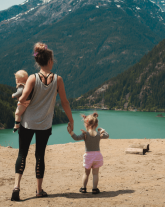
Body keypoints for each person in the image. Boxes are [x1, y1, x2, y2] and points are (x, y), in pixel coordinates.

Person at [11, 42, 74, 201]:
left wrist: (19, 106)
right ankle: (39, 191)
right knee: (40, 156)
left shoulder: (32, 78)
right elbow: (65, 102)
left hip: (27, 123)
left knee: (22, 154)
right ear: (50, 61)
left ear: (38, 61)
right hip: (44, 125)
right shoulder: (58, 79)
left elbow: (23, 97)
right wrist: (71, 120)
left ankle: (16, 187)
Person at [67, 112, 109, 194]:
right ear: (96, 125)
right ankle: (94, 189)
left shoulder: (85, 134)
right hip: (97, 156)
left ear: (86, 124)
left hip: (88, 156)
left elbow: (76, 138)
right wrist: (103, 130)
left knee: (86, 173)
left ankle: (83, 188)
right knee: (95, 173)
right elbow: (107, 136)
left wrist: (71, 132)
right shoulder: (98, 134)